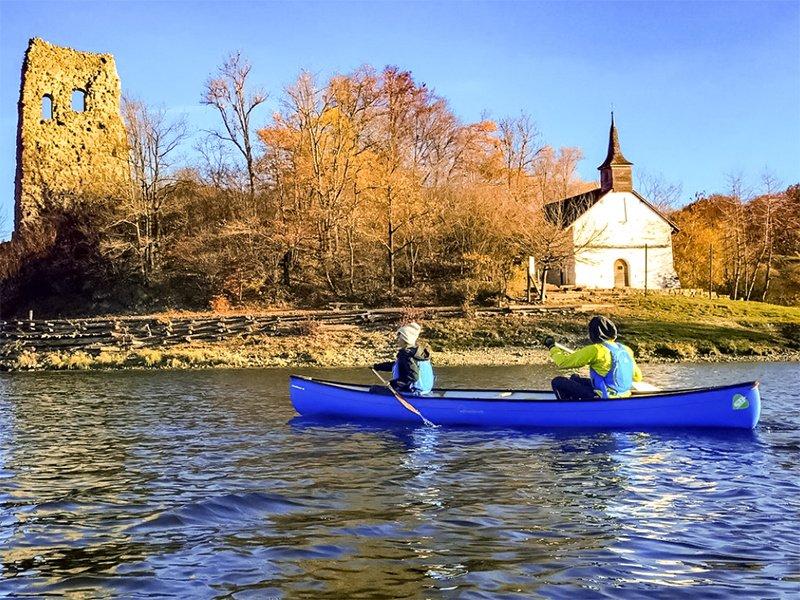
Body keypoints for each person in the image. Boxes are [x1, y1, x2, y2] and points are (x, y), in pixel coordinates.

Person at [544, 316, 642, 400]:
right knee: (575, 378)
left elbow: (563, 362)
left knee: (557, 381)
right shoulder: (625, 349)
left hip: (604, 397)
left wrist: (551, 347)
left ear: (593, 334)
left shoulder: (595, 350)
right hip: (624, 394)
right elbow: (637, 377)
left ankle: (569, 410)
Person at [373, 322, 434, 395]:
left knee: (373, 389)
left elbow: (413, 377)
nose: (397, 339)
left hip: (413, 393)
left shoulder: (405, 354)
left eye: (399, 337)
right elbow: (398, 365)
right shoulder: (418, 353)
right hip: (425, 392)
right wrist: (377, 367)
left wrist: (392, 383)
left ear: (405, 339)